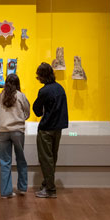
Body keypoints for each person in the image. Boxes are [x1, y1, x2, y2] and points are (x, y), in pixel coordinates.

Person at [32, 62, 68, 198]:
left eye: (38, 76)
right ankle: (47, 184)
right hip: (58, 128)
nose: (38, 79)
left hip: (46, 129)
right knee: (52, 158)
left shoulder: (44, 91)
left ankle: (50, 190)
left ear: (42, 76)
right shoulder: (60, 89)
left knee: (46, 159)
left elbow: (37, 110)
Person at [0, 74, 30, 198]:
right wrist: (19, 119)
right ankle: (22, 188)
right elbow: (27, 112)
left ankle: (5, 192)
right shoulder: (20, 95)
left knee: (5, 161)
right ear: (17, 83)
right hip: (17, 130)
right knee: (21, 159)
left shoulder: (0, 96)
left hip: (3, 131)